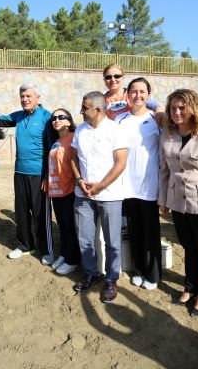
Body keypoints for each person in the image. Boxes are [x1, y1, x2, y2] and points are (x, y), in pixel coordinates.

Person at [0, 84, 53, 262]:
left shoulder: (47, 117)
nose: (25, 99)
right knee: (21, 213)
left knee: (40, 214)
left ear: (38, 97)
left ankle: (46, 251)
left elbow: (51, 150)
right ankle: (24, 246)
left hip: (39, 174)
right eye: (22, 96)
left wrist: (47, 176)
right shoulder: (18, 116)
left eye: (29, 96)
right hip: (20, 172)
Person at [159, 89, 198, 316]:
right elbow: (164, 171)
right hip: (176, 200)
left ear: (193, 108)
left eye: (181, 108)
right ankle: (190, 285)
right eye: (173, 108)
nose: (176, 112)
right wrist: (163, 201)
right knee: (188, 245)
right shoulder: (167, 134)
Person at [71, 91, 128, 303]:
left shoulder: (116, 130)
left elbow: (120, 163)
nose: (81, 111)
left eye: (84, 107)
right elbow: (73, 158)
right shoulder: (81, 130)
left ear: (98, 109)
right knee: (85, 238)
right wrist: (79, 180)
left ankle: (111, 280)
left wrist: (100, 186)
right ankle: (91, 274)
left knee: (112, 241)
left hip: (110, 195)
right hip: (83, 195)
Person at [115, 77, 162, 291]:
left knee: (151, 232)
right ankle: (139, 269)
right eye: (133, 91)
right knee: (133, 231)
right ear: (127, 95)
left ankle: (152, 274)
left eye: (142, 92)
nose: (138, 96)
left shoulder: (157, 119)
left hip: (150, 186)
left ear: (148, 95)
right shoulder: (120, 120)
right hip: (127, 186)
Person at [45, 108, 80, 275]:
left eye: (61, 117)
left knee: (70, 226)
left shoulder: (73, 138)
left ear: (68, 121)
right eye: (53, 118)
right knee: (62, 226)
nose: (56, 120)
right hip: (56, 191)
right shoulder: (55, 141)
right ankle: (65, 254)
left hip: (69, 190)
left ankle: (73, 259)